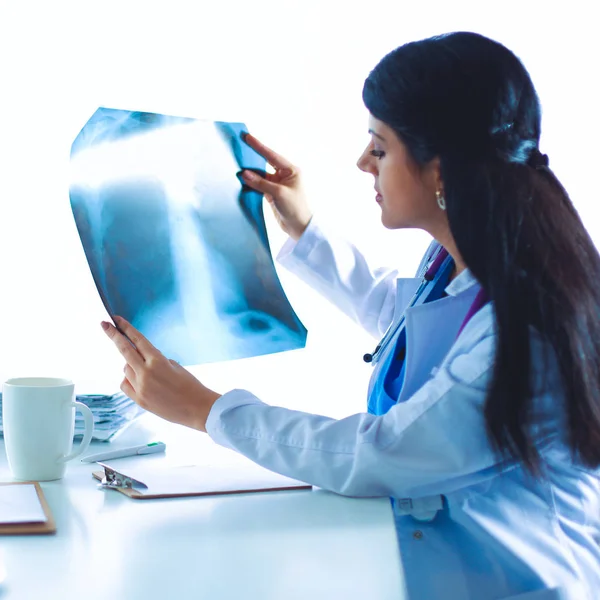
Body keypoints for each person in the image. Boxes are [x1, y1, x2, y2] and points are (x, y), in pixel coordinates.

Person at [100, 31, 600, 600]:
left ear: (441, 170)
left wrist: (207, 410)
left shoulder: (526, 328)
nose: (362, 162)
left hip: (521, 581)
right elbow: (408, 323)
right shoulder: (464, 262)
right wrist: (304, 228)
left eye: (380, 149)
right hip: (443, 557)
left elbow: (383, 453)